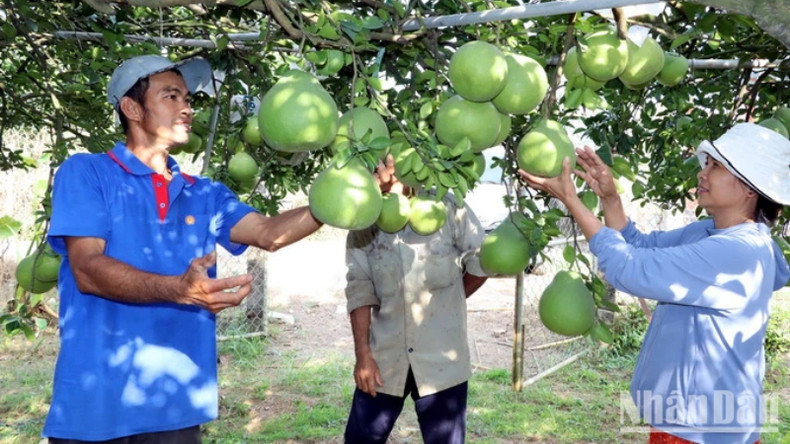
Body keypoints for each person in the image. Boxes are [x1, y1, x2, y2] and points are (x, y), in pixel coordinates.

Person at [42, 54, 326, 443]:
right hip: (95, 407)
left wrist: (345, 197)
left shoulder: (203, 193)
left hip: (175, 405)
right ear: (131, 108)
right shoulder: (86, 172)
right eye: (171, 96)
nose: (187, 108)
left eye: (188, 98)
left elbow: (268, 233)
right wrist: (178, 289)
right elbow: (87, 270)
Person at [518, 122, 790, 444]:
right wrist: (610, 198)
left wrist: (571, 201)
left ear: (750, 188)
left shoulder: (737, 252)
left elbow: (629, 268)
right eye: (706, 164)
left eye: (716, 167)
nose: (702, 173)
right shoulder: (708, 233)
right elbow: (638, 246)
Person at [342, 168, 489, 444]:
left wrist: (451, 301)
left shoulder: (446, 207)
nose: (384, 170)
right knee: (360, 439)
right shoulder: (365, 218)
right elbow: (359, 288)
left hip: (442, 358)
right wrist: (363, 355)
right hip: (385, 357)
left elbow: (481, 261)